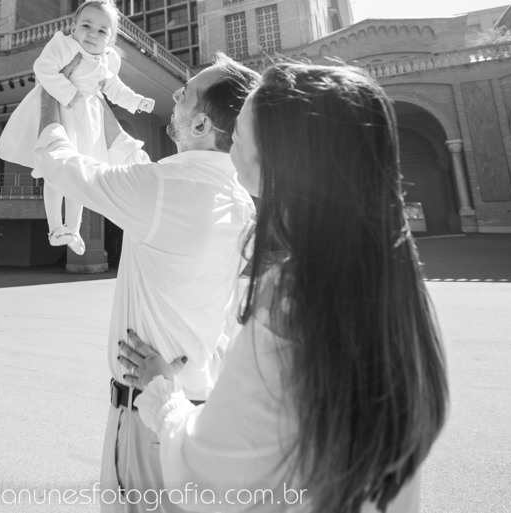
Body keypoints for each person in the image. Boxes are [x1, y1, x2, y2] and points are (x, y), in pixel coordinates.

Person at [117, 63, 450, 513]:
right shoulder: (395, 283)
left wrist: (162, 390)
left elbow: (208, 477)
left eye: (244, 126)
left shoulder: (292, 296)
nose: (233, 129)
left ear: (283, 155)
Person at [33, 52, 259, 513]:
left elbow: (61, 165)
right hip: (196, 403)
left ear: (201, 126)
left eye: (187, 92)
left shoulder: (162, 190)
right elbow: (134, 162)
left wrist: (48, 99)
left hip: (147, 417)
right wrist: (96, 106)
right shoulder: (236, 199)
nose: (175, 94)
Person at [0, 0, 155, 254]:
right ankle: (55, 226)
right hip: (62, 108)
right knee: (55, 167)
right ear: (73, 27)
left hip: (88, 118)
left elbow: (115, 89)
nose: (93, 34)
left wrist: (137, 102)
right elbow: (43, 68)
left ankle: (72, 228)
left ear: (110, 39)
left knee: (78, 171)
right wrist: (68, 93)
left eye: (102, 30)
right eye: (86, 25)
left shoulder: (107, 60)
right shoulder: (65, 46)